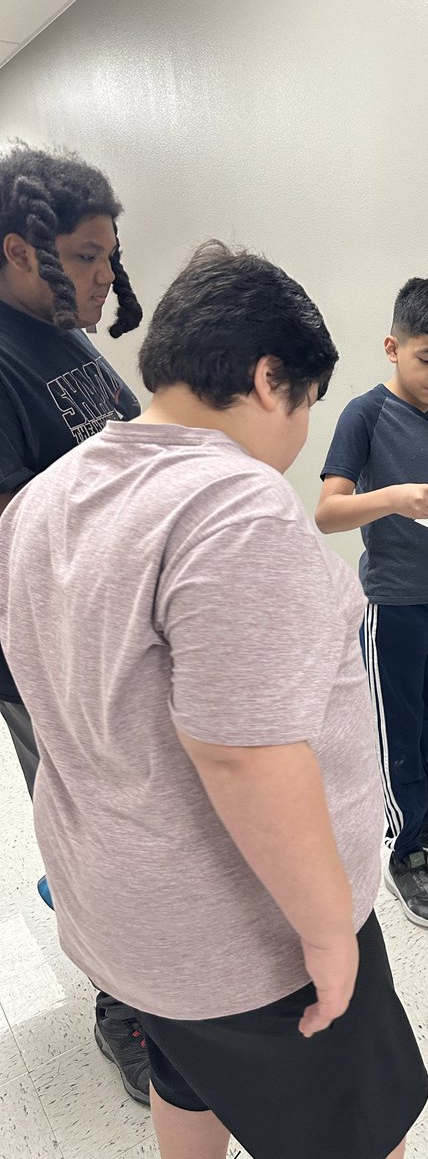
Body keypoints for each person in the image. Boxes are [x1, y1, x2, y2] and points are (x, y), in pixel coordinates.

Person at [0, 242, 428, 1159]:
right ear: (271, 379)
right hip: (244, 937)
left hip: (122, 914)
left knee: (184, 1080)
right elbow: (245, 753)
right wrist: (327, 936)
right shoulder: (234, 509)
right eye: (307, 402)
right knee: (359, 1138)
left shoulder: (44, 499)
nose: (303, 429)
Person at [0, 144, 151, 1101]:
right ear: (20, 251)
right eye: (88, 258)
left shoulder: (67, 335)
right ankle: (121, 1008)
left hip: (114, 647)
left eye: (107, 255)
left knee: (138, 830)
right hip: (47, 666)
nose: (105, 278)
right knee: (94, 840)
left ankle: (151, 977)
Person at [317, 277, 428, 929]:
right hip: (394, 607)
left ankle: (426, 817)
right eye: (425, 360)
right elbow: (328, 512)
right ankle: (403, 851)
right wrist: (395, 497)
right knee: (398, 739)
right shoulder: (364, 415)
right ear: (392, 347)